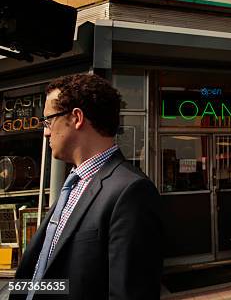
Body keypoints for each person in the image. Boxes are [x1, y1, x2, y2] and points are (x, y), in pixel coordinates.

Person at [11, 74, 162, 300]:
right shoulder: (73, 184)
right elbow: (53, 276)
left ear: (77, 118)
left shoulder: (131, 192)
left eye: (49, 121)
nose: (45, 132)